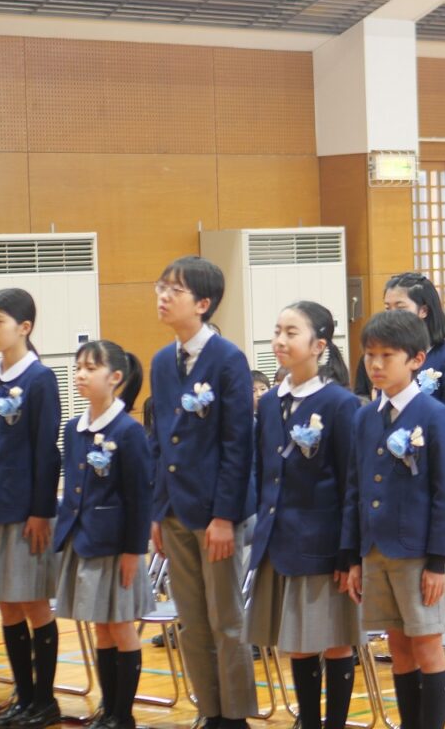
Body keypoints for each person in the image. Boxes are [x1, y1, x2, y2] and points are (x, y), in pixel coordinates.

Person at [148, 256, 257, 729]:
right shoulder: (161, 361)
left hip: (217, 514)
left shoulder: (228, 359)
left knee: (226, 620)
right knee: (190, 620)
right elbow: (159, 442)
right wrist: (157, 511)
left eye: (175, 290)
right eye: (161, 287)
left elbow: (238, 444)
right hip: (175, 509)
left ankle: (235, 715)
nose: (163, 296)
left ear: (203, 303)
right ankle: (209, 711)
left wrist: (225, 517)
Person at [342, 309, 445, 729]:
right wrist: (353, 557)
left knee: (427, 646)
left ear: (416, 359)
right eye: (369, 355)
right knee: (398, 647)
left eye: (387, 355)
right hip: (375, 550)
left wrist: (437, 561)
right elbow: (354, 489)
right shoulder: (365, 417)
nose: (375, 365)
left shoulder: (434, 415)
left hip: (417, 553)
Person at [246, 301, 360, 729]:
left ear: (319, 345)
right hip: (279, 541)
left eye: (291, 332)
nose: (280, 340)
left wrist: (349, 553)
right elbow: (263, 471)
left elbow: (352, 483)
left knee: (335, 640)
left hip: (323, 544)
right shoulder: (269, 402)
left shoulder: (339, 404)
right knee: (297, 641)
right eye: (277, 331)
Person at [0, 289, 63, 729]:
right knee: (6, 604)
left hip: (25, 510)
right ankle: (23, 695)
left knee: (33, 601)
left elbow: (47, 451)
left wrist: (41, 510)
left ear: (24, 327)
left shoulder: (40, 379)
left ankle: (45, 700)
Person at [55, 340, 153, 729]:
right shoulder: (73, 428)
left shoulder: (128, 431)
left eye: (90, 368)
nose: (80, 374)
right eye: (78, 367)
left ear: (114, 377)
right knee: (101, 626)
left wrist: (133, 551)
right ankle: (108, 710)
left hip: (116, 546)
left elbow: (139, 496)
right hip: (84, 542)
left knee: (121, 626)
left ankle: (122, 715)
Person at [383, 273, 445, 447]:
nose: (392, 316)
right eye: (387, 308)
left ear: (423, 310)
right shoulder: (386, 355)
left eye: (400, 308)